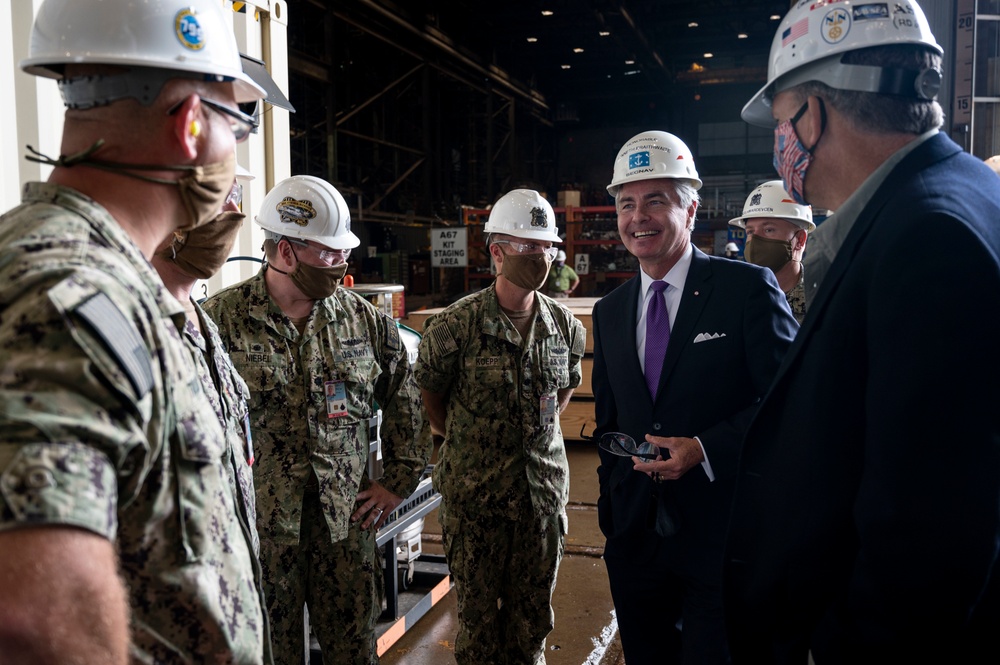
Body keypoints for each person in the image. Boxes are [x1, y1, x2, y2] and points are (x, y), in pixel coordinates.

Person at [725, 1, 1000, 662]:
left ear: (813, 117)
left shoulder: (929, 238)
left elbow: (928, 534)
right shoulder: (958, 195)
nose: (780, 143)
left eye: (783, 119)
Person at [0, 0, 270, 662]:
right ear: (191, 124)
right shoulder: (70, 297)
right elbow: (35, 619)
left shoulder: (113, 285)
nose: (236, 153)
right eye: (237, 121)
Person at [203, 175, 432, 665]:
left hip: (345, 530)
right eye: (328, 254)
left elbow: (405, 399)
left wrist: (396, 482)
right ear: (285, 252)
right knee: (269, 653)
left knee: (352, 652)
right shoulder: (219, 321)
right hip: (263, 536)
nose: (340, 264)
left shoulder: (363, 320)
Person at [591, 130, 798, 665]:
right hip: (636, 540)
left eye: (657, 200)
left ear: (691, 205)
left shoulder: (747, 290)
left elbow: (790, 403)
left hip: (722, 537)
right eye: (627, 203)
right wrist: (613, 512)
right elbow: (611, 420)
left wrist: (706, 448)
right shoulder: (610, 312)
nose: (640, 217)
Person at [414, 188, 586, 664]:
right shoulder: (456, 326)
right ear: (497, 252)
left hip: (541, 500)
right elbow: (432, 397)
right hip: (476, 502)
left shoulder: (567, 328)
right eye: (527, 247)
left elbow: (562, 393)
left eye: (546, 247)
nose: (540, 256)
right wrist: (469, 442)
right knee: (478, 626)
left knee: (532, 623)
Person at [728, 180, 814, 323]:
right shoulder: (734, 298)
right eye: (750, 232)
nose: (755, 240)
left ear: (800, 239)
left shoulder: (822, 299)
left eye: (769, 230)